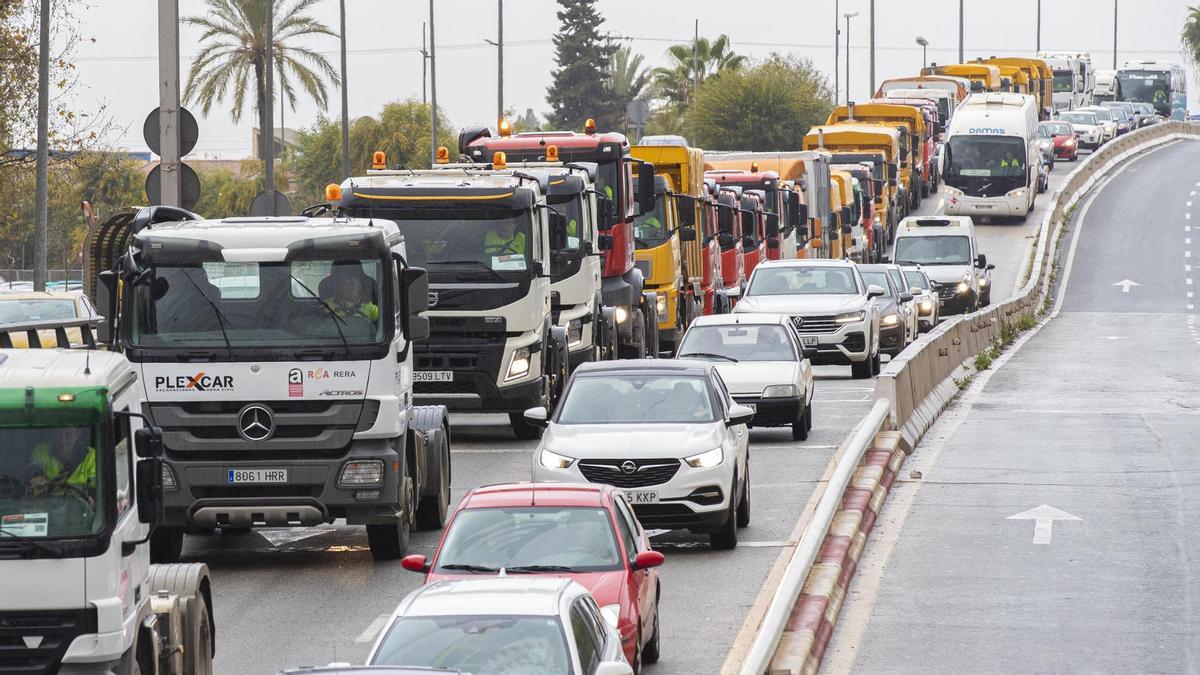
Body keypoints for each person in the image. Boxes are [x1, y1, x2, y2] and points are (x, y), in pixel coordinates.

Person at [29, 427, 96, 506]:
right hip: (46, 506)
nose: (62, 440)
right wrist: (36, 477)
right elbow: (34, 469)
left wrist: (92, 498)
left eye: (68, 435)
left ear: (78, 434)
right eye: (59, 435)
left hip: (78, 509)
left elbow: (97, 490)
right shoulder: (41, 450)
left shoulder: (92, 456)